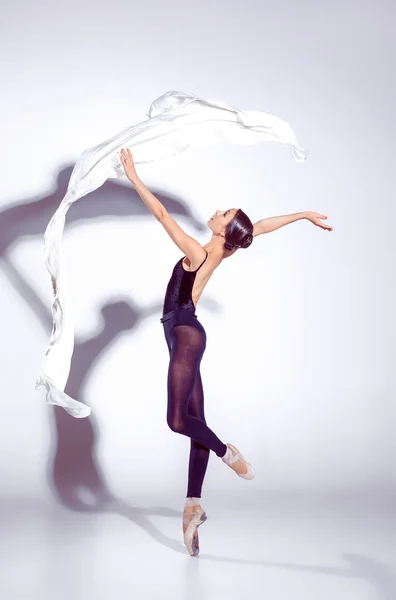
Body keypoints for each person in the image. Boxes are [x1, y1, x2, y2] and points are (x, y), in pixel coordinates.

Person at [120, 148, 333, 556]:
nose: (217, 212)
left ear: (223, 231)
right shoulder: (225, 248)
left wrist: (134, 178)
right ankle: (192, 506)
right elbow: (261, 228)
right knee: (195, 420)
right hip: (184, 331)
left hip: (184, 332)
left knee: (177, 419)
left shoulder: (200, 253)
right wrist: (302, 214)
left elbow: (163, 216)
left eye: (223, 213)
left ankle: (226, 451)